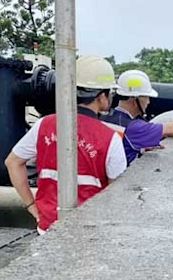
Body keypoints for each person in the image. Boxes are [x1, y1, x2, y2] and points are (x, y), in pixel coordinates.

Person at [4, 56, 127, 234]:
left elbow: (12, 162)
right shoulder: (110, 139)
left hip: (47, 229)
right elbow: (119, 196)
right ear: (101, 96)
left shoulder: (44, 124)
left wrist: (31, 205)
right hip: (89, 234)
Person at [101, 69, 173, 165]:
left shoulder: (107, 118)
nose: (148, 102)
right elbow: (169, 129)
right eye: (146, 97)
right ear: (134, 99)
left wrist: (140, 148)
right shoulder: (134, 127)